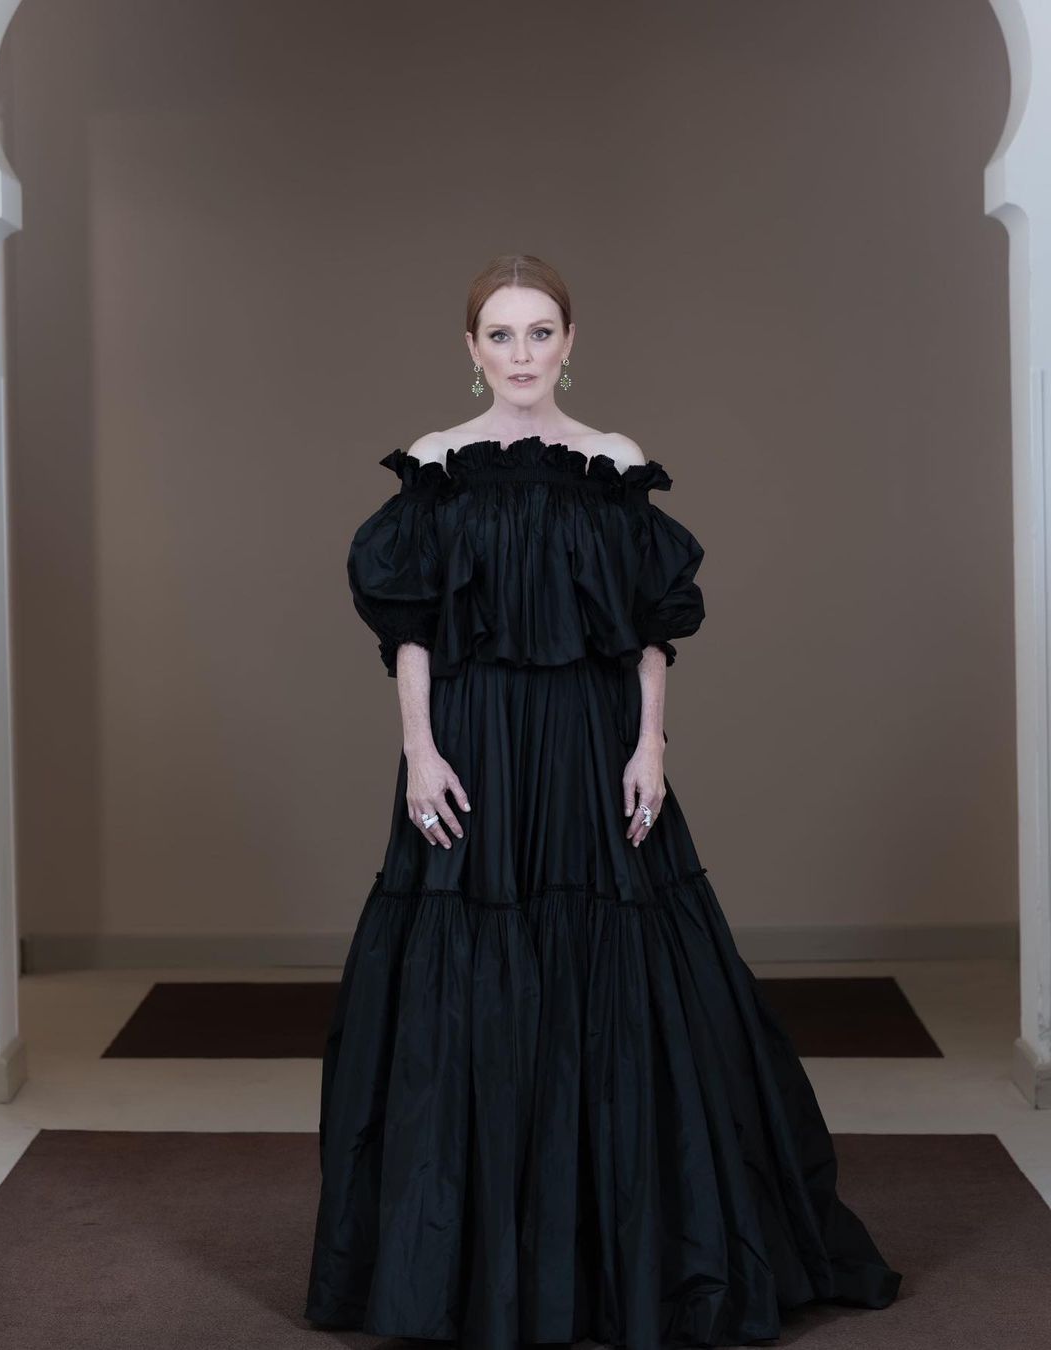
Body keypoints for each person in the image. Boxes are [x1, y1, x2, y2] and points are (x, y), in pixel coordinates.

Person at [305, 253, 902, 1349]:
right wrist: (419, 752)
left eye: (541, 332)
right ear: (471, 348)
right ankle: (474, 1272)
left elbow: (649, 630)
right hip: (473, 744)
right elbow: (412, 630)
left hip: (592, 743)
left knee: (619, 973)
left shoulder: (615, 463)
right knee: (474, 985)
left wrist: (651, 745)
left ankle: (615, 1263)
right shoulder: (434, 465)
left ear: (571, 343)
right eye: (501, 333)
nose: (522, 352)